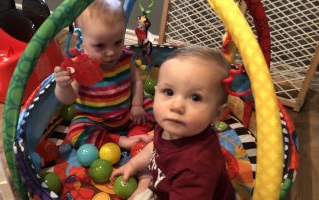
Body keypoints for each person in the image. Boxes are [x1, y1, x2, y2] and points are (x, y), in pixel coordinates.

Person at [111, 46, 235, 199]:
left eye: (195, 97)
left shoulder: (197, 165)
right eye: (169, 92)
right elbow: (155, 147)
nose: (176, 106)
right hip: (166, 184)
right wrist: (132, 165)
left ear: (216, 114)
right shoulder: (170, 126)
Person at [54, 0, 155, 150]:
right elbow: (69, 99)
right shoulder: (79, 66)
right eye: (100, 46)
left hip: (127, 114)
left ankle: (137, 133)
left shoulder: (125, 58)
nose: (111, 52)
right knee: (75, 133)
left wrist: (137, 105)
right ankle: (119, 141)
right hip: (93, 121)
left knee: (154, 106)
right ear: (79, 40)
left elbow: (136, 82)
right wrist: (63, 86)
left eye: (118, 42)